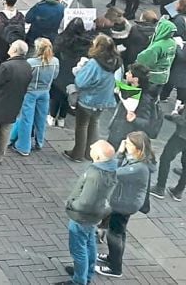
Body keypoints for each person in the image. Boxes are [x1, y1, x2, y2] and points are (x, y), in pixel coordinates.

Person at [98, 131, 154, 278]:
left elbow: (113, 171)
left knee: (114, 234)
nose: (125, 145)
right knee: (119, 232)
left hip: (125, 204)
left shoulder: (139, 167)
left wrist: (119, 153)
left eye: (129, 144)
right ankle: (113, 258)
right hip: (125, 200)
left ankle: (115, 268)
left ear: (138, 148)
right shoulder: (136, 159)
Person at [61, 140, 117, 285]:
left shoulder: (96, 174)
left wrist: (71, 203)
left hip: (82, 217)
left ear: (98, 155)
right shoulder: (110, 169)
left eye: (93, 148)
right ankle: (86, 273)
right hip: (94, 216)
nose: (90, 148)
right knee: (90, 244)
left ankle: (79, 280)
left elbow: (85, 202)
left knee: (78, 250)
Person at [65, 34, 121, 162]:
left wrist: (80, 70)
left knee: (82, 126)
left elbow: (80, 82)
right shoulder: (117, 61)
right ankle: (90, 153)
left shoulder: (94, 63)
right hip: (104, 100)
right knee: (94, 123)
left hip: (88, 100)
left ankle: (77, 154)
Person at [11, 38, 59, 157]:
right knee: (41, 119)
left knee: (26, 119)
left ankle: (23, 147)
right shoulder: (55, 61)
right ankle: (39, 142)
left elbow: (24, 78)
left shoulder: (31, 62)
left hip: (30, 92)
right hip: (45, 92)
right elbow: (55, 76)